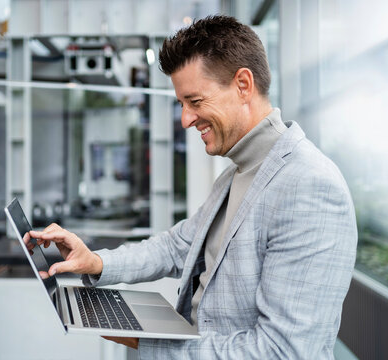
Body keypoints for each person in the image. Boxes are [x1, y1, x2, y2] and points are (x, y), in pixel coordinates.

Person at [29, 15, 358, 359]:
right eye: (182, 105)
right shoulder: (237, 172)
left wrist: (148, 342)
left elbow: (282, 352)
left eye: (195, 102)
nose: (185, 119)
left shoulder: (310, 186)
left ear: (243, 84)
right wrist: (96, 261)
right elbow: (177, 246)